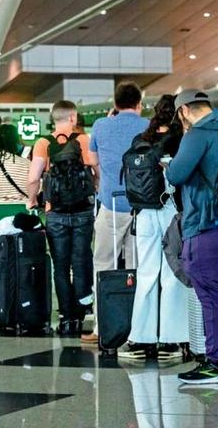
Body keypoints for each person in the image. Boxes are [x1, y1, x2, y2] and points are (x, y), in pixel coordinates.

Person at [167, 90, 218, 384]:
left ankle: (215, 363)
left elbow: (176, 175)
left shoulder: (198, 134)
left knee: (211, 295)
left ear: (184, 111)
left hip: (206, 224)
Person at [118, 95, 189, 360]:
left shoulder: (141, 139)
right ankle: (170, 341)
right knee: (172, 273)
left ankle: (140, 339)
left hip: (144, 212)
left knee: (146, 274)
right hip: (170, 209)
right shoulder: (180, 138)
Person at [85, 82, 148, 343]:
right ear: (139, 103)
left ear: (115, 103)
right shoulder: (147, 126)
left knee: (103, 265)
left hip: (111, 205)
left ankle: (102, 327)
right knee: (139, 268)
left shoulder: (101, 125)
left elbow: (91, 161)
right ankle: (139, 329)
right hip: (141, 208)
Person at [27, 100, 95, 336]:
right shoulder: (83, 141)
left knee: (60, 266)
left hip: (55, 212)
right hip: (83, 211)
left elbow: (33, 177)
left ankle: (66, 317)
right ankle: (81, 310)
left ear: (53, 118)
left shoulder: (44, 143)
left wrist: (31, 200)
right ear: (73, 118)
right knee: (81, 261)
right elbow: (96, 171)